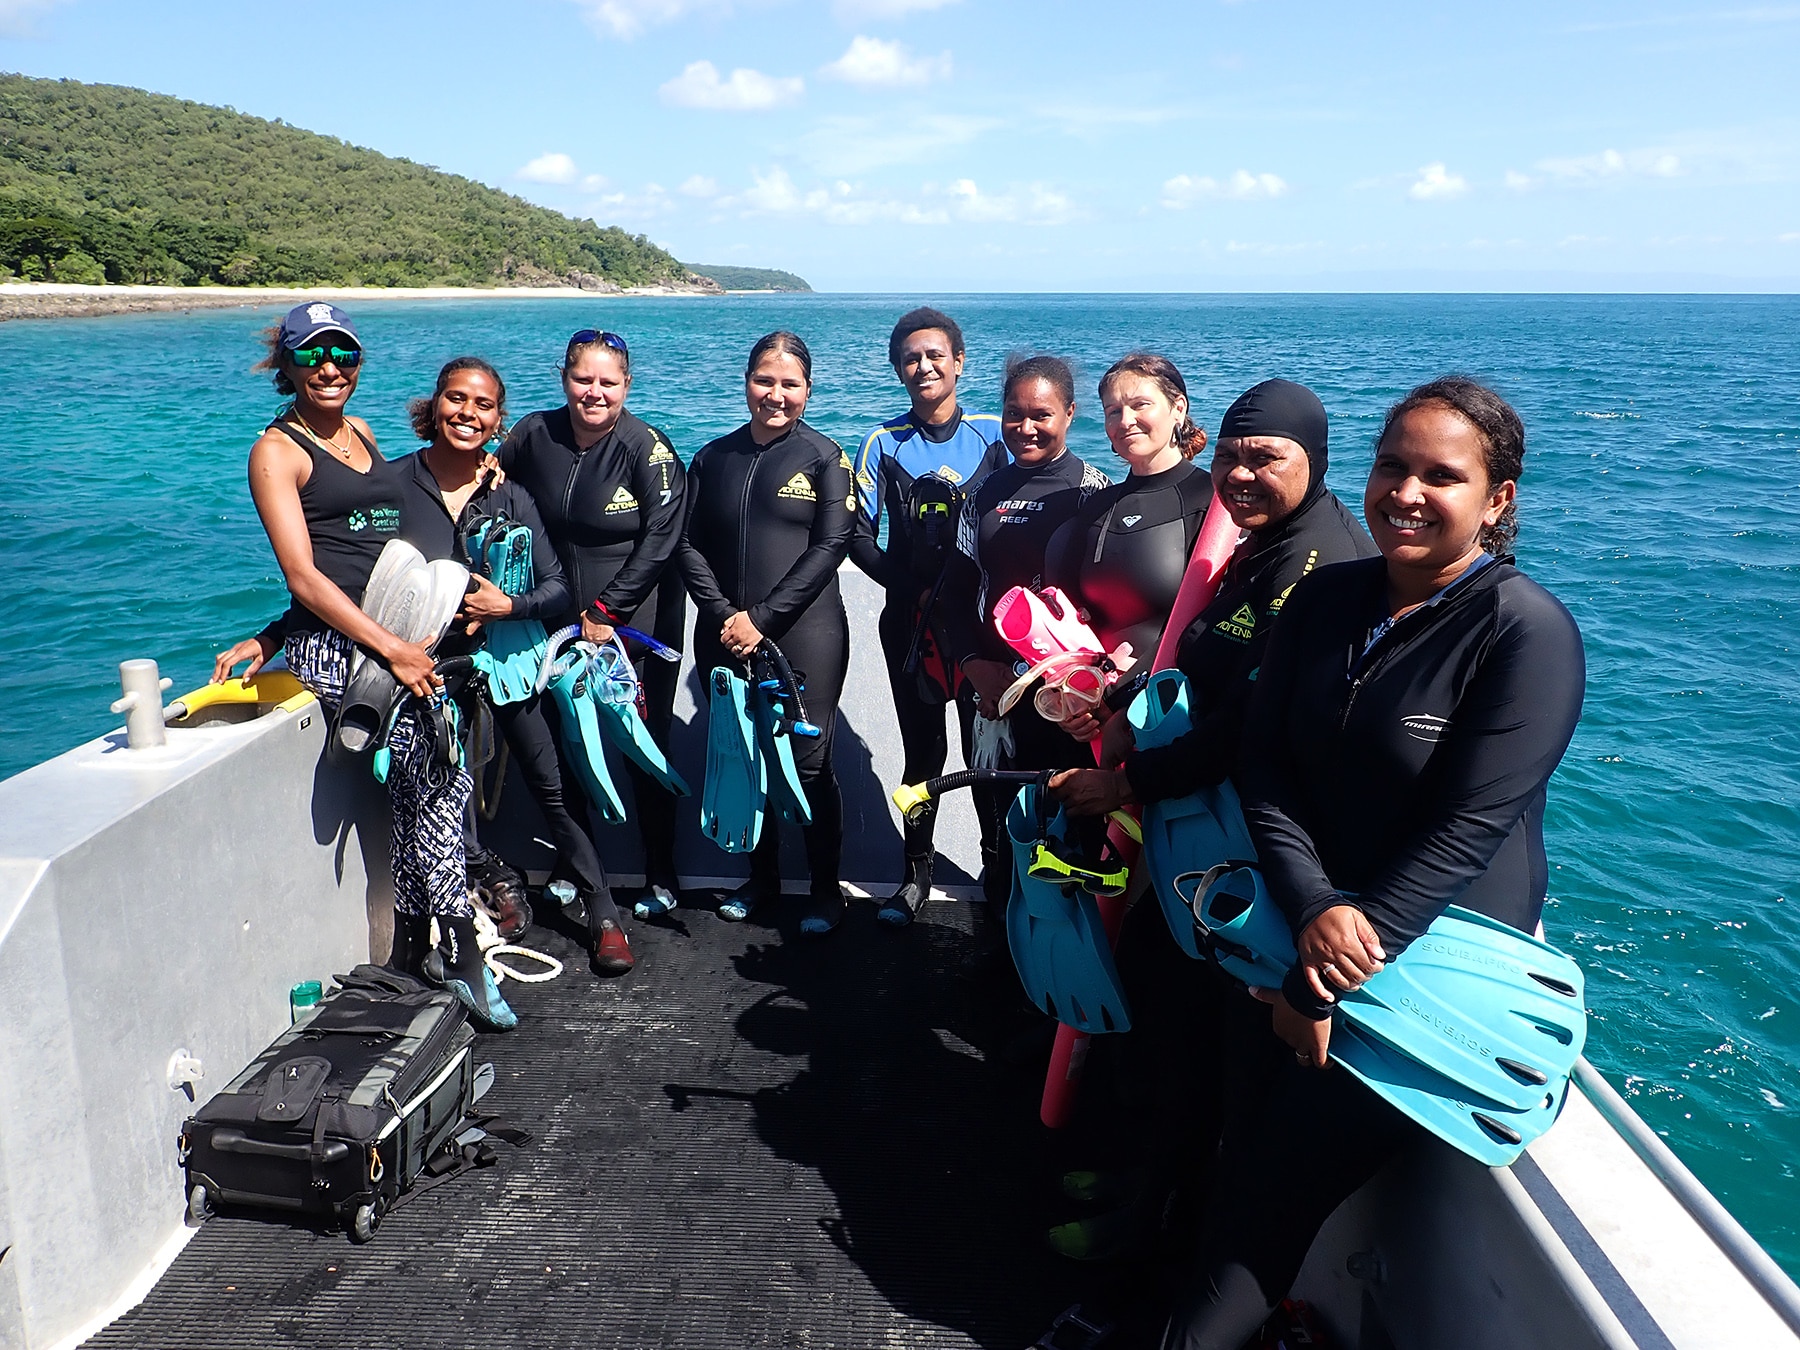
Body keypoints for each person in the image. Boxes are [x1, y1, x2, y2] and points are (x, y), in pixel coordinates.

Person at [1158, 376, 1586, 1348]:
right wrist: (1309, 909)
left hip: (1419, 973)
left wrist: (1324, 980)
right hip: (1291, 937)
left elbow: (1469, 830)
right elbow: (1265, 765)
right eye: (1394, 464)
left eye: (1443, 474)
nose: (1407, 490)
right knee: (1234, 1171)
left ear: (1498, 499)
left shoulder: (1524, 632)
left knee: (1255, 1220)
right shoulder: (1329, 595)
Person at [214, 303, 515, 1031]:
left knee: (427, 780)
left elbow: (372, 552)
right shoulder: (277, 452)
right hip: (345, 645)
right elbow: (307, 579)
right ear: (286, 366)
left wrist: (483, 466)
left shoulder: (363, 435)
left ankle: (416, 947)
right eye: (313, 355)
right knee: (438, 771)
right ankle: (463, 953)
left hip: (392, 631)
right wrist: (387, 649)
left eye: (343, 355)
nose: (330, 369)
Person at [393, 357, 637, 978]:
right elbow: (343, 573)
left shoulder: (511, 493)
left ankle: (603, 912)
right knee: (436, 794)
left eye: (482, 405)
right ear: (434, 405)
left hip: (503, 660)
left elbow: (558, 588)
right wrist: (272, 637)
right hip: (427, 666)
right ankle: (452, 916)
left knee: (551, 785)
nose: (467, 414)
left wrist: (509, 605)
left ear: (499, 420)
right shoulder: (395, 485)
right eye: (456, 399)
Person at [1050, 378, 1376, 818]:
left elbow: (1250, 717)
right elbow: (1201, 633)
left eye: (1264, 458)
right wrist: (1125, 707)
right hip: (1200, 784)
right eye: (1227, 457)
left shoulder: (1318, 561)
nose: (1240, 473)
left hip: (1273, 816)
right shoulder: (1268, 535)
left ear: (1316, 462)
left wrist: (1126, 785)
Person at [496, 330, 688, 922]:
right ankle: (573, 866)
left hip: (634, 621)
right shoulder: (534, 433)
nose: (595, 392)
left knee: (639, 745)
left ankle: (661, 871)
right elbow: (485, 486)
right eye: (584, 379)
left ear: (627, 385)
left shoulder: (645, 447)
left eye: (609, 382)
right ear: (565, 379)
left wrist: (609, 611)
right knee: (564, 743)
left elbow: (663, 537)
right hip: (552, 617)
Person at [677, 331, 855, 934]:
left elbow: (831, 545)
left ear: (808, 389)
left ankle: (826, 889)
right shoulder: (712, 458)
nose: (775, 395)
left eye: (790, 384)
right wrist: (723, 612)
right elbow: (686, 542)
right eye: (765, 380)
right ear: (746, 381)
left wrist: (764, 619)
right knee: (745, 758)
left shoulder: (824, 457)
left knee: (806, 764)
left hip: (805, 634)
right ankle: (765, 878)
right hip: (724, 630)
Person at [848, 307, 1008, 927]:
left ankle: (998, 875)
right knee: (922, 757)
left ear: (960, 362)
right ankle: (915, 873)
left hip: (980, 633)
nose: (924, 366)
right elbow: (857, 536)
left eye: (936, 355)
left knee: (986, 757)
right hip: (911, 630)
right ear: (897, 369)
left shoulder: (997, 435)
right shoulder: (881, 443)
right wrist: (909, 588)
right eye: (911, 358)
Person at [938, 354, 1109, 899]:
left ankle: (1061, 945)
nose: (1026, 428)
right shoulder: (981, 493)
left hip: (1065, 690)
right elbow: (959, 590)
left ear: (1070, 414)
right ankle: (1000, 921)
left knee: (1063, 819)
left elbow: (1101, 602)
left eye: (1042, 414)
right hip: (991, 688)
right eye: (1014, 414)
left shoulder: (1092, 491)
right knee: (997, 813)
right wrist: (973, 666)